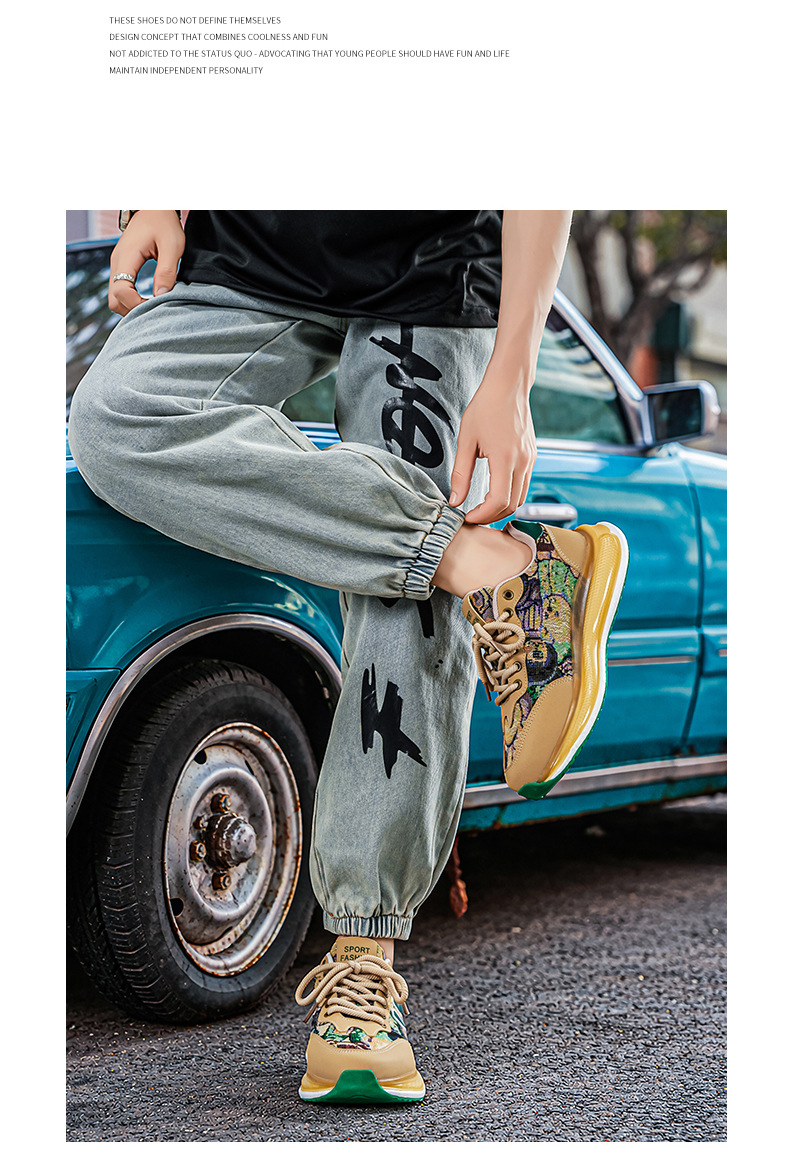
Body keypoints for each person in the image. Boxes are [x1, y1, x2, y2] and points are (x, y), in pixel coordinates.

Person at [67, 210, 628, 1105]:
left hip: (427, 269)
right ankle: (490, 567)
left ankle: (363, 967)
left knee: (396, 589)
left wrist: (513, 371)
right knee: (114, 417)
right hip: (248, 249)